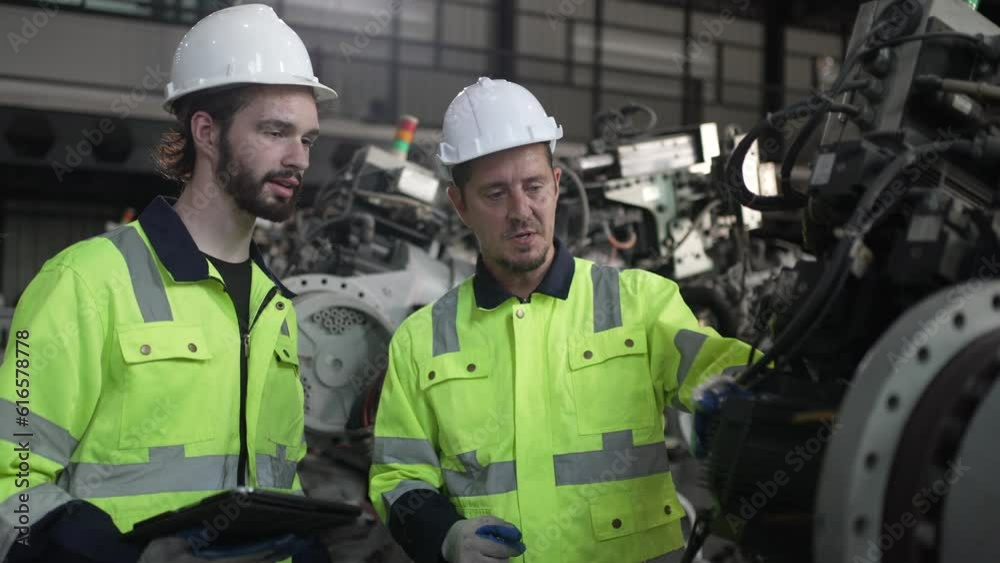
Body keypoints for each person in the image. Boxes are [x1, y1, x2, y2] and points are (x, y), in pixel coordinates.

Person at [0, 5, 342, 562]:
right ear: (206, 132)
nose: (297, 158)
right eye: (275, 131)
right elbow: (11, 480)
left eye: (307, 138)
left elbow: (280, 488)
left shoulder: (273, 307)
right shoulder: (85, 282)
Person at [368, 77, 754, 563]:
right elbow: (398, 478)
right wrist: (446, 536)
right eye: (495, 194)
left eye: (533, 187)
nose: (520, 211)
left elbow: (732, 377)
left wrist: (762, 388)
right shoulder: (421, 340)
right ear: (460, 205)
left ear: (554, 185)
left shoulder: (642, 304)